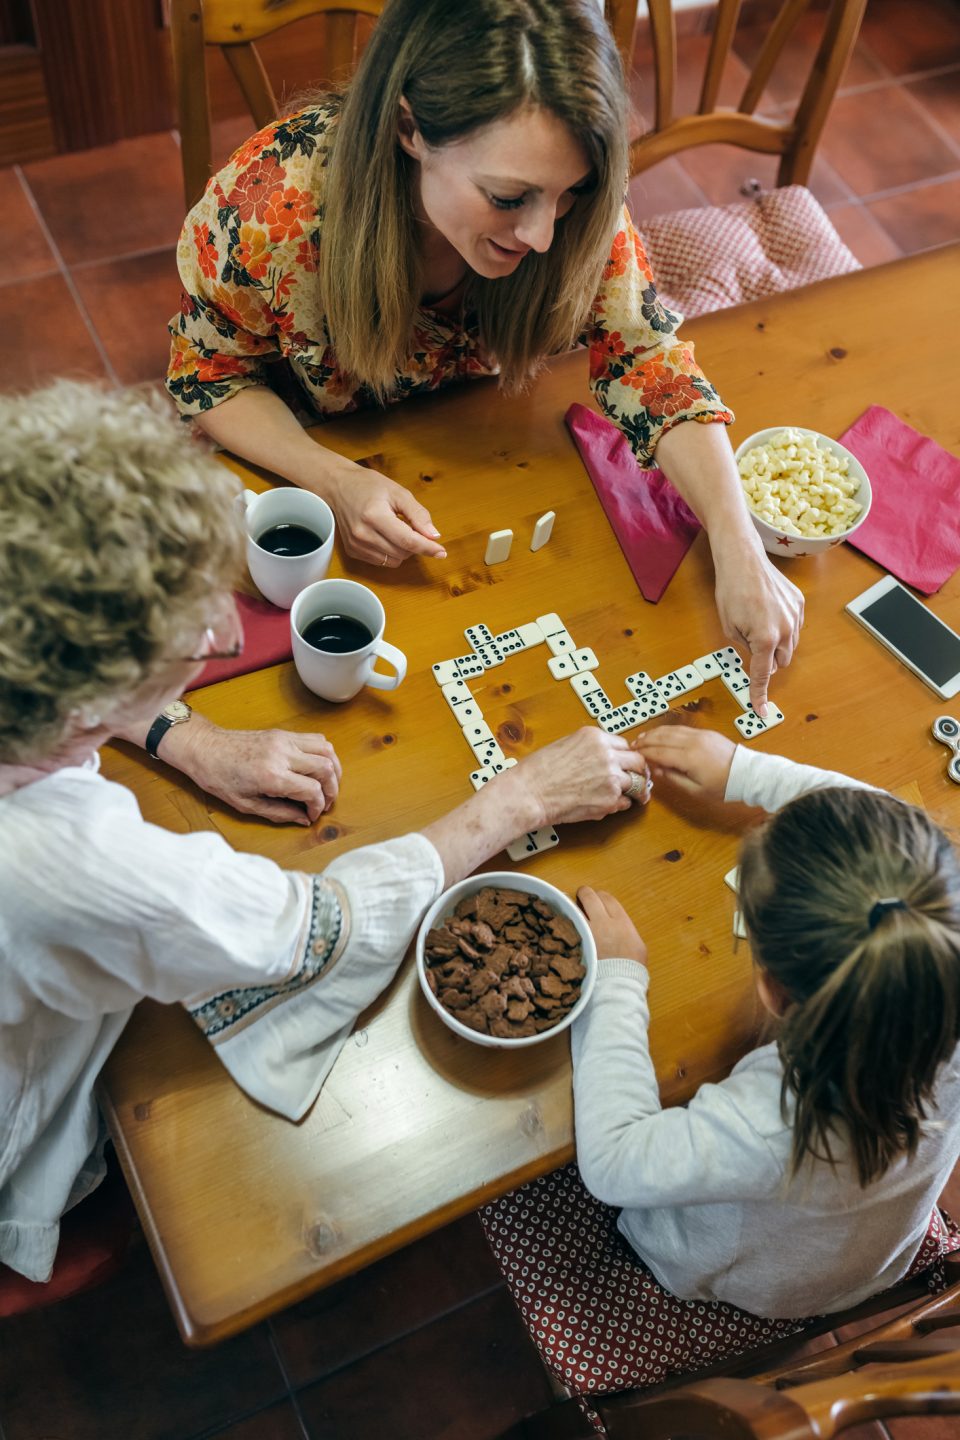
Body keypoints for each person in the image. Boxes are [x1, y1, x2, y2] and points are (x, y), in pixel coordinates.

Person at [0, 380, 650, 1286]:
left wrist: (181, 734)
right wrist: (521, 798)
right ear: (90, 691)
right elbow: (310, 928)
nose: (228, 629)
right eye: (191, 639)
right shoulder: (69, 860)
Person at [165, 0, 803, 714]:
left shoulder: (565, 206)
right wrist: (335, 480)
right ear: (410, 128)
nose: (539, 235)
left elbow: (645, 359)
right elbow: (209, 375)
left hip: (473, 443)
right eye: (509, 198)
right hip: (304, 449)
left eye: (571, 194)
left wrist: (736, 538)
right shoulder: (268, 210)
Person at [481, 724, 960, 1413]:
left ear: (772, 990)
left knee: (514, 1155)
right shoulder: (939, 934)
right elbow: (894, 833)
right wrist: (743, 770)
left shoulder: (780, 1122)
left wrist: (618, 978)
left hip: (746, 1280)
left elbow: (614, 1164)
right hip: (878, 1250)